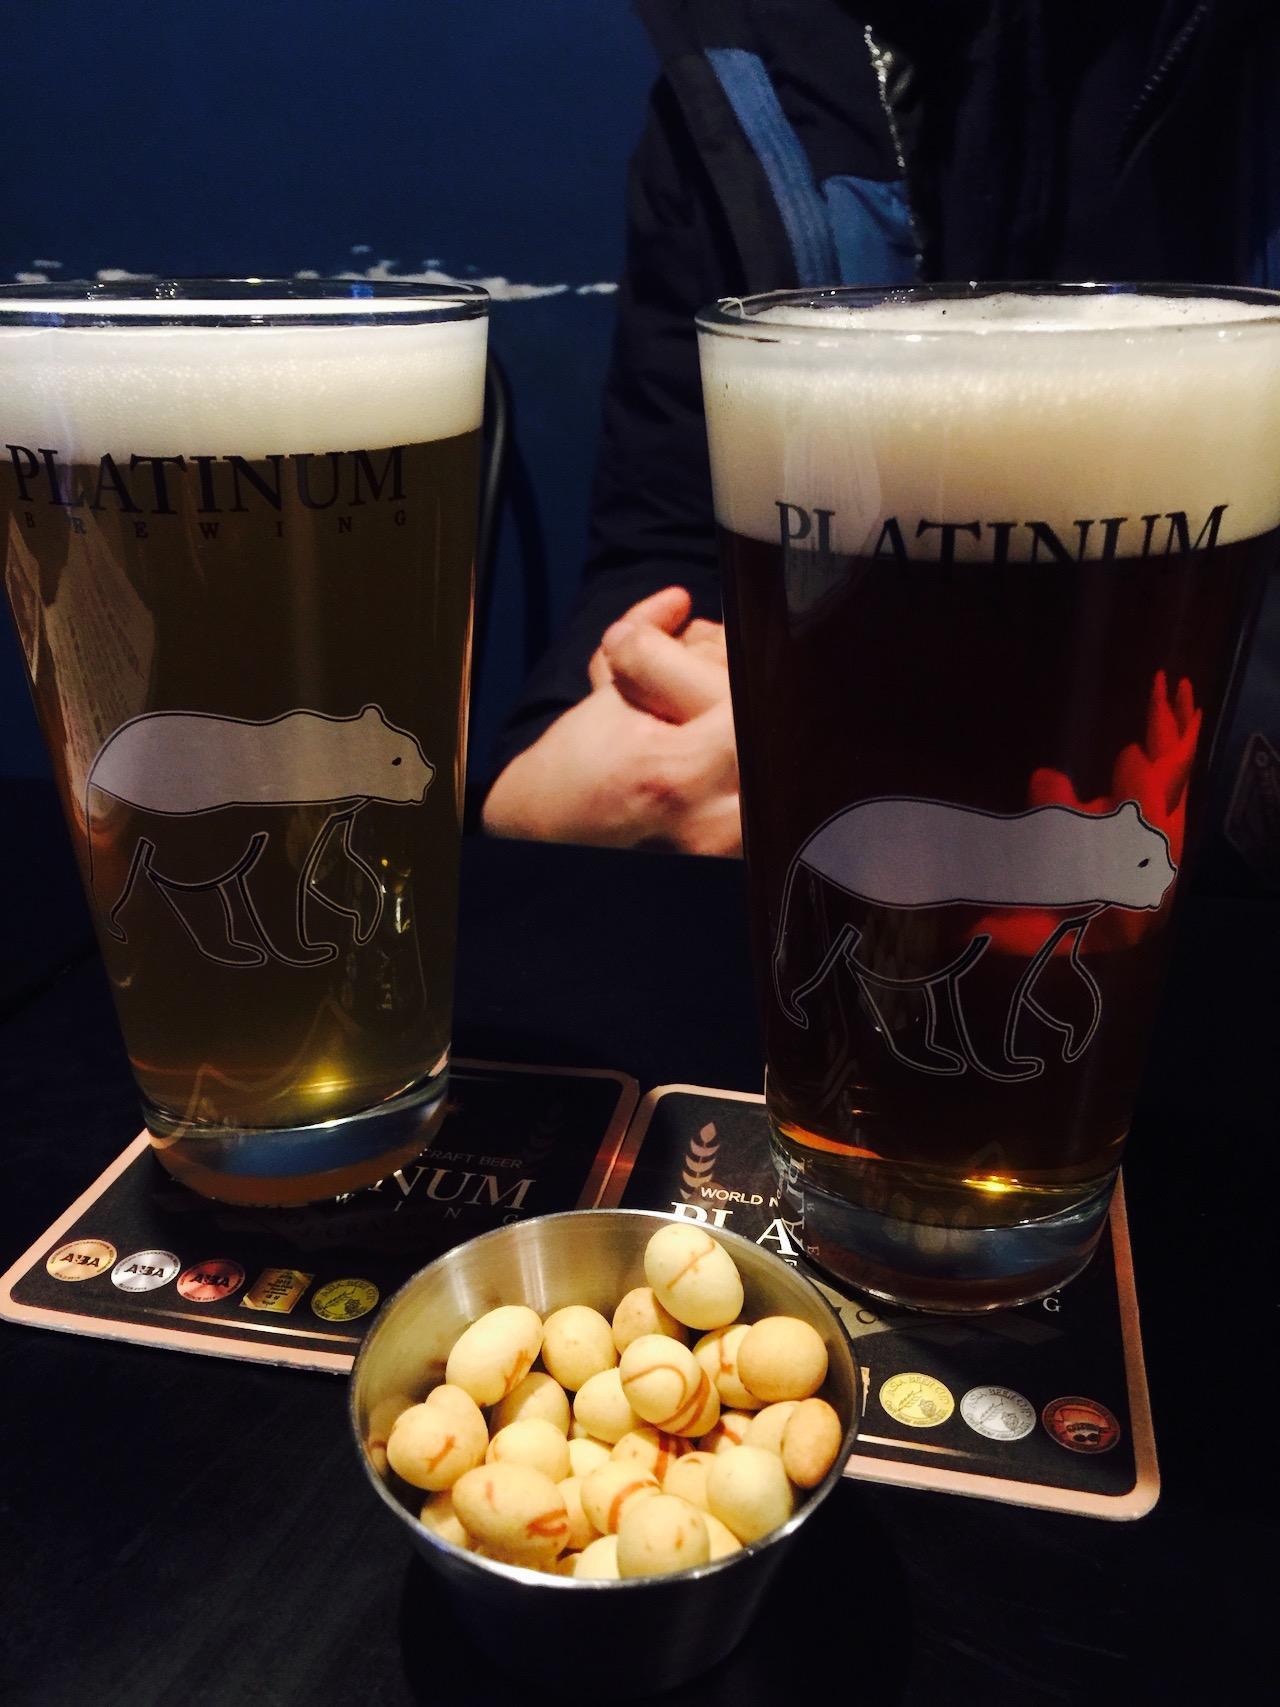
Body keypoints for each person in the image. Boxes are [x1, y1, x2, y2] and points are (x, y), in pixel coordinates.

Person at [483, 0, 1280, 862]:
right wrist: (543, 783)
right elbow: (663, 557)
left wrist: (920, 747)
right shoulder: (740, 67)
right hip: (835, 922)